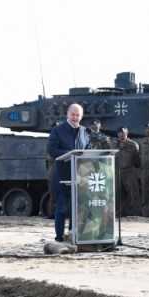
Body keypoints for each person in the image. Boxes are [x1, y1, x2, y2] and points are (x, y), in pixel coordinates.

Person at [47, 103, 91, 242]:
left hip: (79, 176)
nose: (75, 117)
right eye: (73, 114)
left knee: (76, 208)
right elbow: (52, 150)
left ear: (81, 116)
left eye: (78, 115)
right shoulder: (57, 130)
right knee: (61, 208)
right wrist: (70, 154)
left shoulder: (85, 132)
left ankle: (73, 235)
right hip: (61, 175)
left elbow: (88, 150)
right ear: (67, 114)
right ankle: (59, 237)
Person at [111, 127, 141, 216]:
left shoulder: (133, 145)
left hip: (129, 171)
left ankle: (135, 213)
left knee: (133, 193)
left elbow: (137, 160)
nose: (121, 134)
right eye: (119, 133)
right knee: (118, 193)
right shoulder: (114, 144)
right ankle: (119, 213)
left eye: (123, 133)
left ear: (127, 133)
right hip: (117, 171)